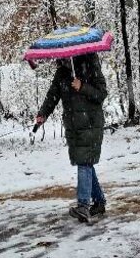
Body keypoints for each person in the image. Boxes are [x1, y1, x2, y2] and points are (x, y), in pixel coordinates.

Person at [34, 53, 108, 223]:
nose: (63, 59)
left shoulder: (90, 64)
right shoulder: (62, 72)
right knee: (85, 161)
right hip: (73, 126)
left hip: (91, 123)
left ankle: (83, 205)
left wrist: (82, 86)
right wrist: (43, 114)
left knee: (84, 162)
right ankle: (99, 202)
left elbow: (101, 94)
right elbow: (52, 95)